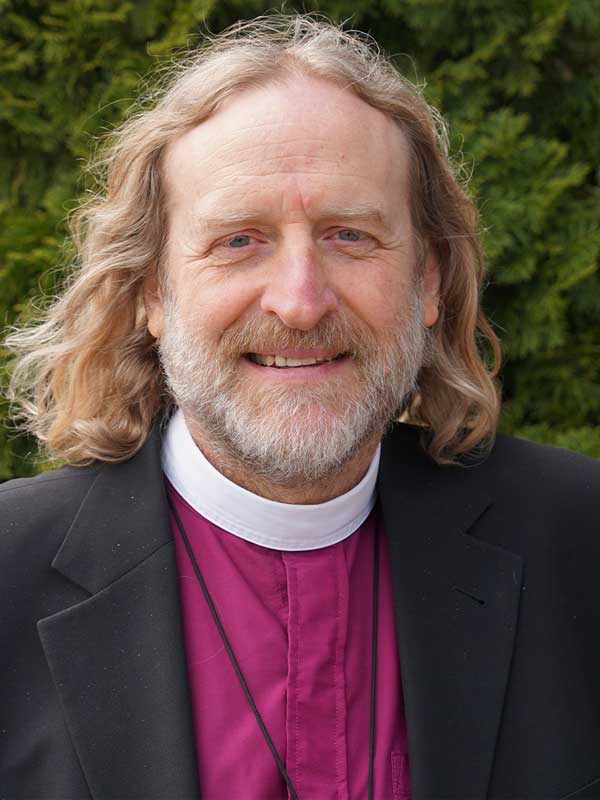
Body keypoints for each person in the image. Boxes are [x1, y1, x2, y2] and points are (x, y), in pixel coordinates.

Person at [1, 13, 599, 800]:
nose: (300, 301)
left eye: (349, 236)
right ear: (152, 293)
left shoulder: (577, 540)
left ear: (427, 281)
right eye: (239, 240)